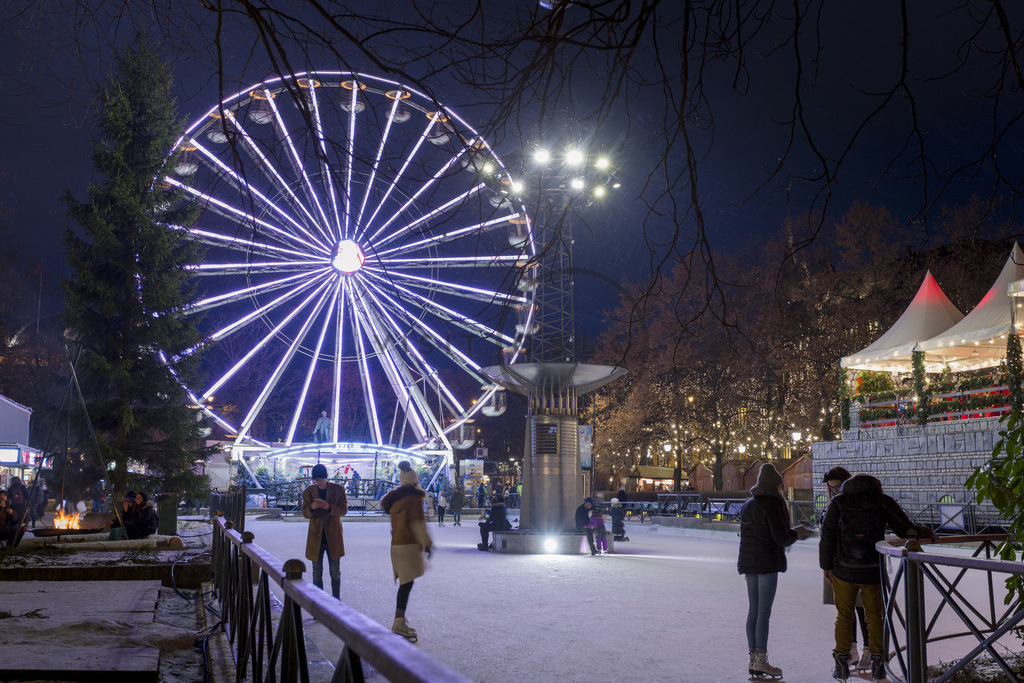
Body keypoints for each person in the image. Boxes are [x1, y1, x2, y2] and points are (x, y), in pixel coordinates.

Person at [820, 473, 936, 681]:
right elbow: (904, 528)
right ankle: (878, 661)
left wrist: (826, 566)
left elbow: (827, 534)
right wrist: (924, 531)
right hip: (872, 569)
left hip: (844, 569)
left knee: (844, 616)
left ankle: (841, 661)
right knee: (875, 617)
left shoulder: (839, 502)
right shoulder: (882, 501)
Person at [737, 463, 814, 680]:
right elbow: (780, 537)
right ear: (775, 485)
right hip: (767, 563)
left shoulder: (749, 504)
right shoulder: (772, 504)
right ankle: (761, 660)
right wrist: (797, 533)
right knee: (763, 612)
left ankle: (753, 659)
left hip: (749, 563)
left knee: (753, 611)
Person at [821, 467, 871, 672]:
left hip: (857, 564)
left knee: (862, 609)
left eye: (838, 487)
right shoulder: (832, 504)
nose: (834, 491)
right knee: (845, 611)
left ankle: (869, 652)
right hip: (838, 565)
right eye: (831, 488)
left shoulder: (856, 504)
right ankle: (851, 651)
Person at [381, 461, 433, 641]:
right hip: (409, 545)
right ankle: (398, 622)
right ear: (414, 479)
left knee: (406, 583)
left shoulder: (395, 499)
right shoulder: (414, 498)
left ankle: (399, 620)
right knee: (406, 584)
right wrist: (427, 543)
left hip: (396, 545)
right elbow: (418, 523)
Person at [301, 463, 348, 599]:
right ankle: (319, 601)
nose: (318, 482)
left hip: (333, 538)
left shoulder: (339, 490)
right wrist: (312, 508)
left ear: (326, 478)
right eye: (316, 480)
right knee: (316, 572)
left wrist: (328, 506)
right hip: (316, 539)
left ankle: (336, 601)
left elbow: (343, 510)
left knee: (335, 572)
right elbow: (305, 513)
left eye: (320, 479)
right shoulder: (308, 492)